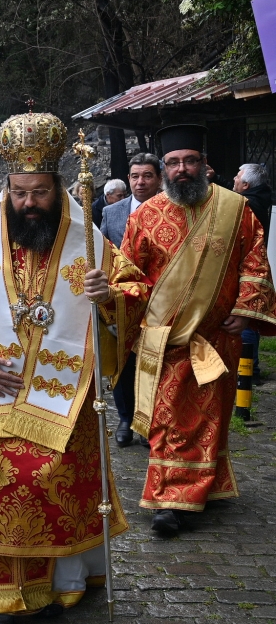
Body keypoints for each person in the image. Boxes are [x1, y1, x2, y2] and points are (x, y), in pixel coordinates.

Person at [0, 110, 150, 621]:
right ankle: (0, 583)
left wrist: (110, 294)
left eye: (39, 193)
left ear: (58, 187)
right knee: (1, 481)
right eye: (19, 192)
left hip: (67, 394)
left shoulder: (88, 242)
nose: (28, 203)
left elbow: (138, 290)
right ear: (7, 188)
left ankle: (63, 580)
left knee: (55, 482)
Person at [122, 124, 276, 536]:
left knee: (209, 418)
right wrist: (121, 305)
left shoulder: (235, 209)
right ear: (164, 168)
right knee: (166, 419)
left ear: (205, 165)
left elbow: (254, 261)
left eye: (190, 161)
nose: (182, 169)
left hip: (217, 336)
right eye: (173, 163)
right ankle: (169, 501)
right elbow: (129, 274)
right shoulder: (146, 215)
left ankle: (200, 488)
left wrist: (246, 311)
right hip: (164, 340)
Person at [101, 153, 163, 447]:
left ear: (159, 179)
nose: (141, 182)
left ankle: (152, 420)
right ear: (128, 179)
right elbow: (101, 254)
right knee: (123, 362)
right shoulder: (113, 213)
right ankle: (126, 418)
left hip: (160, 301)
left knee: (156, 363)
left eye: (147, 176)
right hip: (122, 301)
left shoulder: (171, 209)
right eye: (135, 176)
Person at [233, 163, 272, 385]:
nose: (234, 180)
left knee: (245, 317)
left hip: (247, 266)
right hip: (252, 265)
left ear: (246, 184)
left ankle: (249, 370)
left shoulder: (249, 204)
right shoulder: (260, 197)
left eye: (238, 177)